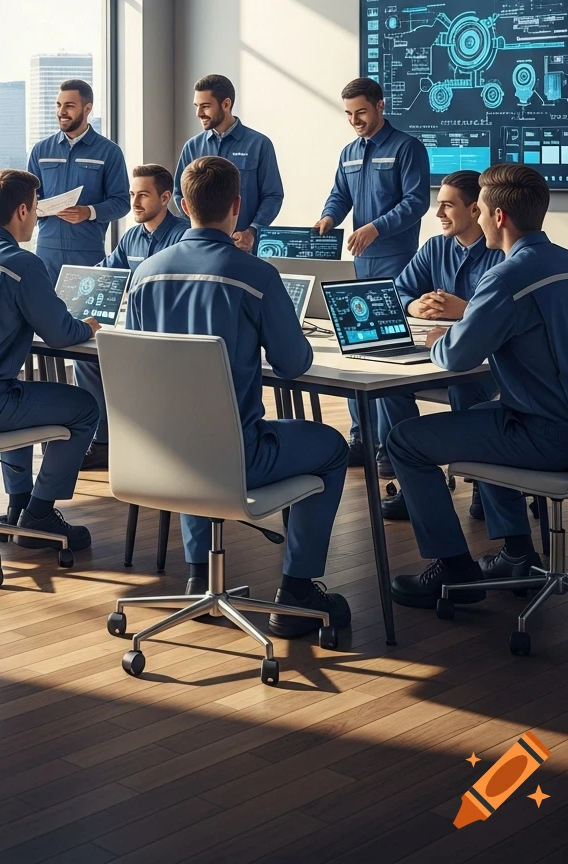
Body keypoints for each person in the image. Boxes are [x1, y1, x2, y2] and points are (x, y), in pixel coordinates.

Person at [127, 156, 351, 638]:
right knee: (333, 448)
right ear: (236, 205)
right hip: (239, 457)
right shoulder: (256, 276)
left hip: (161, 452)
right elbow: (294, 365)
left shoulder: (144, 274)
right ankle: (296, 589)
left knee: (190, 425)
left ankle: (199, 577)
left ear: (183, 205)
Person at [388, 164, 568, 608]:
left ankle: (454, 570)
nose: (475, 219)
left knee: (404, 442)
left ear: (498, 217)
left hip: (547, 436)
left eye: (481, 212)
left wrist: (440, 338)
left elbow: (458, 356)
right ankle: (518, 554)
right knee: (480, 417)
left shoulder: (507, 276)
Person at [0, 169, 101, 551]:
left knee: (19, 392)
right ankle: (40, 511)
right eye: (38, 208)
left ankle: (18, 506)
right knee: (85, 408)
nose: (39, 216)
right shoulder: (22, 264)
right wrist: (88, 327)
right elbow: (59, 334)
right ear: (23, 210)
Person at [315, 77, 430, 470]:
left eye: (361, 112)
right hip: (360, 261)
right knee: (358, 349)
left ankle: (391, 446)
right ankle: (361, 439)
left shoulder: (407, 148)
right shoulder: (349, 152)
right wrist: (330, 217)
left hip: (396, 261)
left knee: (390, 355)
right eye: (349, 114)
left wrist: (376, 227)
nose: (355, 121)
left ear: (381, 106)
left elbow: (416, 202)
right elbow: (340, 194)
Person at [379, 170, 504, 521]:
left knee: (467, 390)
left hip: (485, 364)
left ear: (475, 209)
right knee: (388, 387)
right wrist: (412, 305)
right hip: (437, 357)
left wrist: (465, 309)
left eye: (447, 206)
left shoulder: (502, 252)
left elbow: (508, 313)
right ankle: (414, 483)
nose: (438, 215)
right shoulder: (435, 247)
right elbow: (399, 291)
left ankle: (484, 481)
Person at [74, 163, 189, 470]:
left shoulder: (183, 237)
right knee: (86, 359)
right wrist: (70, 287)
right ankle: (102, 443)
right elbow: (107, 272)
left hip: (166, 338)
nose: (134, 203)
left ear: (165, 198)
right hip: (132, 330)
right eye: (131, 195)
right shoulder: (131, 237)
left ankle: (138, 441)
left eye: (143, 195)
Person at [27, 79, 129, 282]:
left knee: (87, 314)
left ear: (87, 108)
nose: (61, 111)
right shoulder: (41, 150)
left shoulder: (108, 152)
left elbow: (122, 203)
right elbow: (28, 197)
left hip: (88, 252)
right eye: (58, 105)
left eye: (69, 106)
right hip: (47, 252)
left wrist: (88, 212)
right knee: (44, 313)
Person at [174, 74, 283, 254]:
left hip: (243, 249)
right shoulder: (192, 147)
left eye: (205, 106)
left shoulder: (259, 144)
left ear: (226, 104)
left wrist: (252, 231)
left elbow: (273, 195)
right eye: (197, 106)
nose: (198, 113)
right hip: (201, 249)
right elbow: (179, 193)